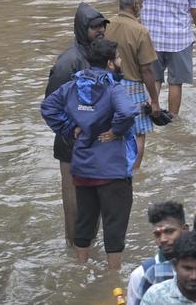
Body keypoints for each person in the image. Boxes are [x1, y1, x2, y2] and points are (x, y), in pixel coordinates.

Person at [41, 38, 138, 271]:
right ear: (110, 63)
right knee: (114, 225)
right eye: (118, 58)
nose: (120, 61)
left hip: (83, 168)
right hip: (112, 170)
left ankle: (80, 268)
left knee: (84, 222)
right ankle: (113, 277)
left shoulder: (73, 86)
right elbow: (127, 112)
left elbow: (47, 107)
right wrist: (116, 131)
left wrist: (68, 128)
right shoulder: (113, 88)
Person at [45, 2, 110, 246]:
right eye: (94, 27)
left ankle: (87, 246)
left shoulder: (97, 56)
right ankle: (75, 249)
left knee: (94, 200)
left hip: (96, 144)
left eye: (102, 26)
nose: (100, 30)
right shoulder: (68, 62)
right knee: (74, 203)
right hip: (71, 146)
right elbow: (50, 105)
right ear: (83, 29)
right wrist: (69, 131)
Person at [104, 0, 162, 169]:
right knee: (138, 133)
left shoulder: (105, 25)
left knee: (111, 131)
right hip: (133, 88)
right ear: (136, 5)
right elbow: (146, 70)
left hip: (108, 85)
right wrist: (154, 101)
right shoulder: (140, 31)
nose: (142, 7)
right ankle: (134, 172)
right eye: (141, 4)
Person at [126, 201, 189, 305]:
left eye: (169, 231)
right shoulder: (142, 274)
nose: (163, 239)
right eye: (157, 234)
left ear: (185, 230)